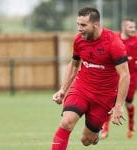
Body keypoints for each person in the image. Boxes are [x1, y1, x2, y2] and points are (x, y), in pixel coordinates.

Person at [51, 7, 130, 150]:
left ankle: (95, 132)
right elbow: (74, 65)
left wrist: (118, 106)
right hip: (82, 88)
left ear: (96, 24)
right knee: (66, 122)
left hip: (104, 96)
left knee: (86, 141)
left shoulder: (113, 43)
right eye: (78, 24)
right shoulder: (79, 40)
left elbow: (124, 75)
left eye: (83, 25)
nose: (79, 29)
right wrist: (63, 89)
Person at [101, 18, 137, 139]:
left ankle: (131, 126)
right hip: (115, 76)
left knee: (128, 103)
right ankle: (105, 128)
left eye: (134, 27)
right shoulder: (115, 39)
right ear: (123, 28)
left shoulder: (136, 41)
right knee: (110, 102)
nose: (133, 29)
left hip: (132, 77)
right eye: (130, 27)